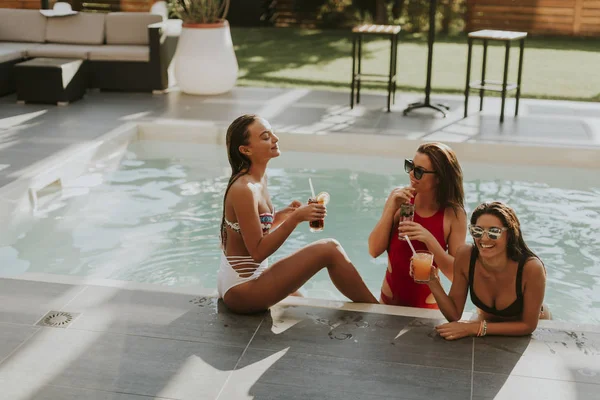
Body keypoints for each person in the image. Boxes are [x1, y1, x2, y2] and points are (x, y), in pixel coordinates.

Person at [217, 114, 378, 313]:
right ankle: (380, 311)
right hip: (242, 288)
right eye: (266, 137)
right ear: (246, 149)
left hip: (246, 279)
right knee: (329, 248)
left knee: (298, 300)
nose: (275, 139)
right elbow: (258, 252)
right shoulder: (244, 188)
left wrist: (282, 215)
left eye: (273, 133)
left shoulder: (258, 179)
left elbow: (251, 230)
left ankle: (376, 308)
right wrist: (295, 219)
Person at [424, 202, 551, 340]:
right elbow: (454, 314)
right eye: (477, 231)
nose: (484, 238)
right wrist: (432, 280)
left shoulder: (531, 268)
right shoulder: (466, 256)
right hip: (488, 325)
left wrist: (473, 328)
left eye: (494, 232)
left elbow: (528, 326)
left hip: (536, 330)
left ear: (509, 234)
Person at [368, 142, 467, 308]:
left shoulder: (453, 215)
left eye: (420, 171)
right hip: (388, 303)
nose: (412, 174)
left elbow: (455, 276)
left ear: (439, 178)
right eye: (411, 166)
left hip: (427, 311)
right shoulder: (398, 198)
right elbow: (373, 250)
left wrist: (429, 240)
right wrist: (391, 208)